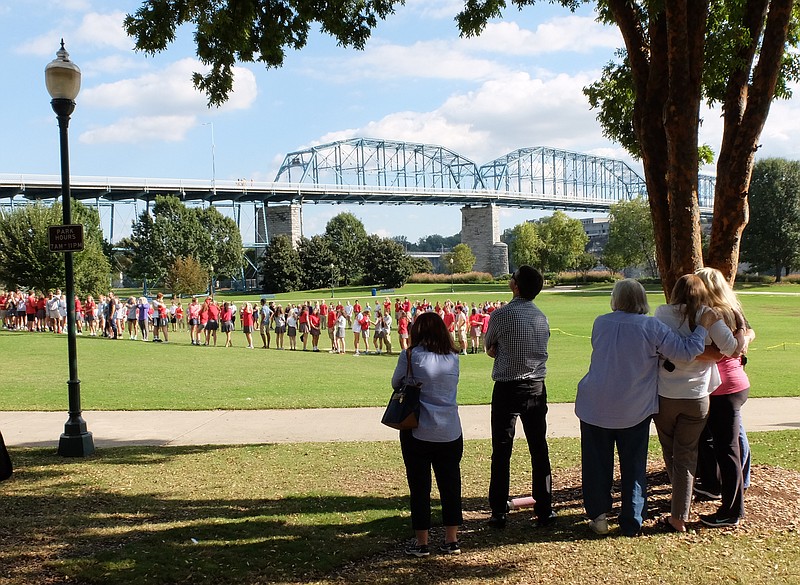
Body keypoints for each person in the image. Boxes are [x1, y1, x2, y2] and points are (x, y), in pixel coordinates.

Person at [575, 279, 718, 537]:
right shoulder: (650, 326)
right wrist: (702, 328)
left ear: (616, 300)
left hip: (595, 404)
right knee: (633, 465)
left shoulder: (601, 322)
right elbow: (685, 352)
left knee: (596, 464)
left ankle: (598, 517)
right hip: (633, 407)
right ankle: (632, 520)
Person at [653, 274, 744, 532]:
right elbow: (731, 349)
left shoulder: (662, 312)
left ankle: (679, 502)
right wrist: (740, 334)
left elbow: (657, 344)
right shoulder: (706, 313)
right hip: (697, 396)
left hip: (667, 394)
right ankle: (679, 511)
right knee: (687, 453)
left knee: (670, 451)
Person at [483, 265, 554, 529]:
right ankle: (545, 508)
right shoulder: (542, 317)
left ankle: (499, 510)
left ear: (515, 286)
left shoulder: (501, 315)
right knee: (539, 448)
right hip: (536, 386)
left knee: (501, 450)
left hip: (507, 387)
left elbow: (489, 348)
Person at [392, 312, 463, 557]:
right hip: (450, 429)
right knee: (451, 485)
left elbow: (395, 383)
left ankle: (421, 542)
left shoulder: (410, 356)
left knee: (419, 487)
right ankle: (451, 539)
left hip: (417, 428)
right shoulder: (453, 357)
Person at [694, 267, 756, 528]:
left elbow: (718, 351)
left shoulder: (713, 314)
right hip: (733, 384)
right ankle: (718, 490)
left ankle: (732, 511)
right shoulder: (732, 310)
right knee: (723, 444)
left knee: (727, 448)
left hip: (723, 388)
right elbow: (743, 339)